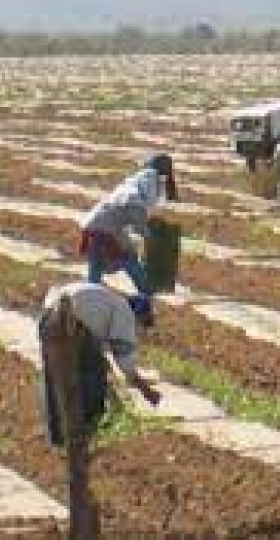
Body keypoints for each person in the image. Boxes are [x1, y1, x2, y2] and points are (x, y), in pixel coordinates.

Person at [38, 282, 161, 446]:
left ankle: (57, 437)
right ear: (138, 315)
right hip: (72, 322)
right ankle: (88, 427)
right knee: (93, 377)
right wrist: (145, 389)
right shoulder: (124, 311)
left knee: (54, 377)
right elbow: (124, 358)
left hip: (48, 316)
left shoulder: (108, 300)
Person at [79, 154, 177, 295]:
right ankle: (146, 290)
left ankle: (89, 293)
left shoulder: (131, 186)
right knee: (129, 259)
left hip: (93, 224)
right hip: (107, 230)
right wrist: (153, 238)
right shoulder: (138, 194)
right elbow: (138, 224)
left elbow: (129, 221)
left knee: (97, 263)